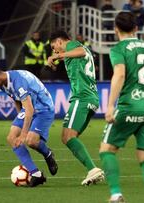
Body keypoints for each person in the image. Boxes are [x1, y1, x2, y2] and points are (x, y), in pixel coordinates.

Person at [99, 12, 144, 203]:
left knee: (107, 149)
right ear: (136, 29)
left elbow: (120, 75)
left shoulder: (118, 49)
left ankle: (115, 194)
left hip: (128, 106)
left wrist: (109, 105)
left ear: (116, 29)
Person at [0, 61, 58, 187]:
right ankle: (36, 174)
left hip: (43, 108)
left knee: (30, 141)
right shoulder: (3, 83)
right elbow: (16, 99)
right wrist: (19, 118)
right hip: (28, 108)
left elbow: (30, 109)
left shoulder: (18, 82)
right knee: (11, 138)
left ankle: (48, 154)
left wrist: (23, 133)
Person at [47, 30, 104, 186]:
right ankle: (93, 170)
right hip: (90, 98)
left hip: (83, 98)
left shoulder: (72, 45)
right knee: (68, 137)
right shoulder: (70, 55)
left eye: (54, 47)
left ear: (60, 41)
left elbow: (81, 50)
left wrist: (58, 56)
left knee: (68, 136)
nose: (54, 50)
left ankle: (93, 169)